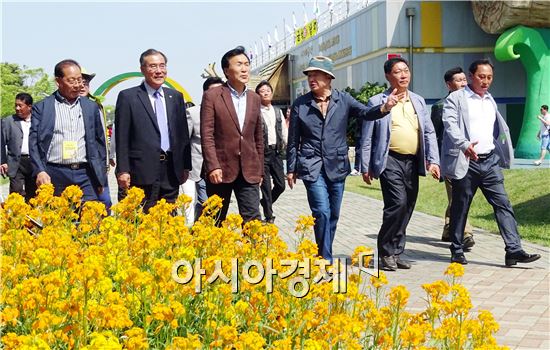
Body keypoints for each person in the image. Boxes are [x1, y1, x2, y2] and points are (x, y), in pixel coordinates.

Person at [442, 58, 541, 266]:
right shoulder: (456, 98)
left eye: (489, 77)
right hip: (467, 161)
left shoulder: (490, 99)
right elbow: (450, 125)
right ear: (471, 76)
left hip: (489, 162)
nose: (485, 81)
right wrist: (464, 144)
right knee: (461, 206)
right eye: (481, 77)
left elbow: (496, 129)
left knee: (503, 204)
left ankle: (513, 250)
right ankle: (457, 249)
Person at [287, 56, 384, 262]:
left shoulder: (344, 99)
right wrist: (291, 168)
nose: (311, 79)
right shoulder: (300, 104)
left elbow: (365, 113)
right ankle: (326, 261)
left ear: (328, 77)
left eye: (316, 75)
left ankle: (322, 252)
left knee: (333, 215)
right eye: (309, 75)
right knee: (321, 211)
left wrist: (384, 108)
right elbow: (293, 139)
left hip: (337, 165)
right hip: (311, 165)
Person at [361, 57, 440, 271]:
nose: (403, 75)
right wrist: (365, 165)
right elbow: (367, 136)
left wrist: (433, 160)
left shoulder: (418, 100)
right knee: (397, 203)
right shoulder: (377, 101)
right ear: (388, 76)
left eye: (406, 70)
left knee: (408, 206)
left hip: (413, 161)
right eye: (398, 71)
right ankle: (386, 251)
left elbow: (429, 131)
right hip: (389, 159)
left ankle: (396, 252)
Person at [115, 49, 191, 213]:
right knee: (143, 217)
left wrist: (185, 166)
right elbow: (122, 137)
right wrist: (123, 170)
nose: (159, 71)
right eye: (153, 66)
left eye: (162, 66)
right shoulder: (128, 97)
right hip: (141, 170)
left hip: (171, 169)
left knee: (169, 217)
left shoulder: (175, 96)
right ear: (143, 69)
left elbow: (182, 135)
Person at [201, 46, 264, 225]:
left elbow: (257, 137)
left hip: (249, 170)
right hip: (221, 169)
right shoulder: (212, 96)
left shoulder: (254, 98)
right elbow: (207, 134)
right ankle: (210, 252)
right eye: (239, 64)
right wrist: (213, 166)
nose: (244, 69)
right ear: (227, 71)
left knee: (253, 220)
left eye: (247, 64)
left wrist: (259, 169)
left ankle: (252, 253)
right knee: (214, 218)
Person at [29, 59, 106, 201]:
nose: (77, 85)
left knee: (90, 217)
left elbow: (99, 143)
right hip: (54, 174)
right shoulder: (43, 108)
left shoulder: (91, 107)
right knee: (58, 220)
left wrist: (100, 177)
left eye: (79, 80)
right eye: (72, 81)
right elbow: (33, 143)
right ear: (58, 81)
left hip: (86, 174)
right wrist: (40, 171)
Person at [431, 67, 474, 248]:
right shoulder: (440, 106)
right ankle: (465, 233)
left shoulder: (474, 102)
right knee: (458, 196)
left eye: (465, 79)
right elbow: (434, 135)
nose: (463, 83)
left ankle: (449, 227)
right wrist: (435, 161)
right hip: (452, 159)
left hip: (474, 158)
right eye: (459, 80)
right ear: (449, 84)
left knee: (459, 196)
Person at [180, 76, 223, 225]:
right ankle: (199, 228)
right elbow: (184, 140)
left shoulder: (226, 112)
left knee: (216, 204)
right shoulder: (193, 113)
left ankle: (201, 226)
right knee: (206, 201)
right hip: (200, 166)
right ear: (205, 94)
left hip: (223, 165)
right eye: (213, 92)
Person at [79, 69, 112, 211]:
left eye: (85, 83)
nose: (81, 86)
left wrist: (105, 162)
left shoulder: (96, 104)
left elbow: (101, 138)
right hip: (77, 163)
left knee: (104, 202)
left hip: (96, 163)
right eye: (78, 82)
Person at [255, 80, 287, 223]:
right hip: (262, 154)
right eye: (262, 91)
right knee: (266, 187)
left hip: (276, 153)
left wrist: (285, 146)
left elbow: (283, 131)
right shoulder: (255, 112)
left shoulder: (278, 111)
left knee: (281, 185)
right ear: (257, 95)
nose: (265, 92)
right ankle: (269, 216)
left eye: (268, 90)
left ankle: (265, 204)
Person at [1, 93, 37, 201]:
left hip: (33, 161)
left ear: (29, 107)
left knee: (33, 196)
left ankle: (30, 217)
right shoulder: (8, 121)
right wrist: (2, 161)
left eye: (20, 105)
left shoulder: (37, 120)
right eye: (16, 105)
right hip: (16, 162)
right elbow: (1, 142)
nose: (17, 108)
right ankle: (15, 216)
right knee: (16, 193)